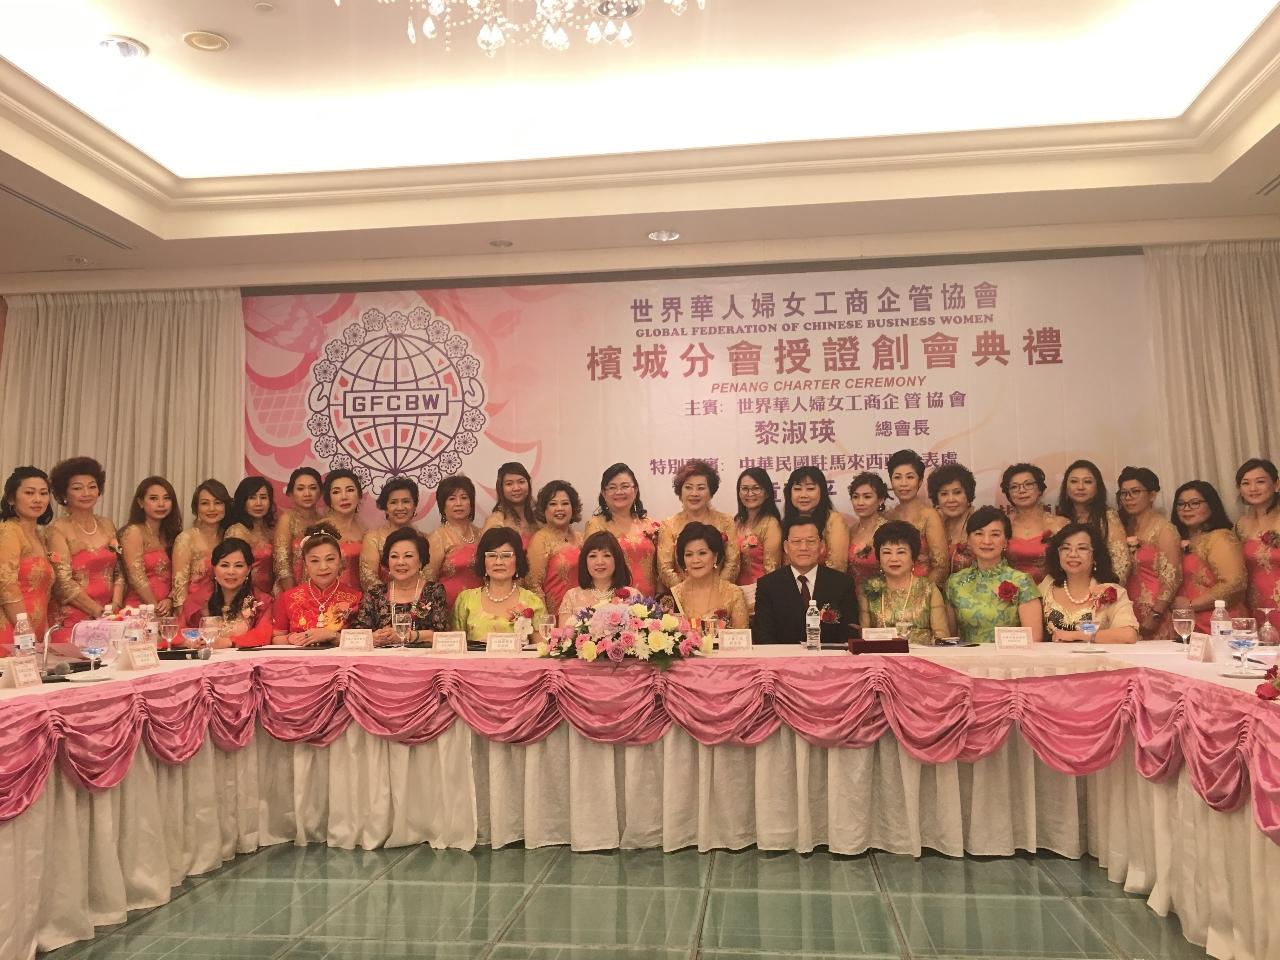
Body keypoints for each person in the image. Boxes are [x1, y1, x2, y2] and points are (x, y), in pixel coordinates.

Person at [46, 457, 124, 636]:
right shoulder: (57, 530)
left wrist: (115, 605)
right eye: (77, 488)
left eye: (92, 486)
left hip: (109, 615)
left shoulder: (107, 525)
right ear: (64, 494)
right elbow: (61, 582)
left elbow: (119, 570)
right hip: (73, 619)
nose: (86, 493)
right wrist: (98, 611)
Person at [944, 506, 1043, 644]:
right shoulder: (955, 582)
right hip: (966, 662)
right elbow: (950, 638)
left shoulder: (1021, 581)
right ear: (968, 539)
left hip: (1011, 662)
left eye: (995, 534)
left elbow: (1034, 638)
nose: (987, 541)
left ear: (1006, 542)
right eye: (979, 534)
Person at [753, 516, 858, 645]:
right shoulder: (768, 585)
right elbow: (763, 636)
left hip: (830, 661)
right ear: (786, 547)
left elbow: (849, 634)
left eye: (811, 541)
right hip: (783, 662)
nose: (803, 547)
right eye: (796, 542)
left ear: (821, 546)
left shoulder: (842, 583)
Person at [1039, 523, 1139, 644]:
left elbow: (1128, 634)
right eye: (1065, 548)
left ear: (1095, 555)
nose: (1073, 554)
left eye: (1082, 548)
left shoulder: (1112, 592)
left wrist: (1077, 635)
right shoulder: (1047, 586)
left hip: (1098, 661)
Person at [350, 527, 449, 645]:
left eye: (408, 556)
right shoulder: (375, 593)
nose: (400, 562)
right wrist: (373, 637)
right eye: (394, 556)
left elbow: (441, 633)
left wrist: (407, 635)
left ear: (421, 561)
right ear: (387, 562)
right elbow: (358, 632)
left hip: (421, 659)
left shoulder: (434, 591)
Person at [1171, 480, 1247, 633]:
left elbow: (1234, 584)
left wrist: (1191, 604)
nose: (1187, 509)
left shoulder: (1220, 537)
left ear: (1211, 505)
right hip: (1186, 624)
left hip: (1218, 623)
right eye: (1181, 504)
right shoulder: (1177, 539)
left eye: (1195, 503)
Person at [0, 467, 64, 644]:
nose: (38, 499)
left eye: (43, 493)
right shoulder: (8, 531)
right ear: (12, 499)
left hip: (33, 630)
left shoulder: (39, 535)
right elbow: (6, 585)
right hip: (10, 629)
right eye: (29, 493)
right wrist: (25, 630)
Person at [858, 520, 948, 645]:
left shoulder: (928, 589)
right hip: (880, 660)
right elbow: (863, 638)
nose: (894, 559)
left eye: (901, 552)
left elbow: (941, 638)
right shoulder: (868, 590)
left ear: (913, 557)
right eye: (887, 552)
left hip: (923, 661)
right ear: (879, 557)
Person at [1116, 467, 1181, 640]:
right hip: (1127, 609)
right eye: (1124, 493)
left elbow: (1172, 578)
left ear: (1152, 495)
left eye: (1135, 492)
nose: (1128, 498)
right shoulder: (1124, 528)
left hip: (1154, 610)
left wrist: (1155, 614)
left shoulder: (1164, 529)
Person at [272, 522, 363, 646]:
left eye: (330, 559)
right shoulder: (289, 597)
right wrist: (290, 639)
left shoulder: (356, 598)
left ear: (340, 561)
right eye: (314, 561)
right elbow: (276, 638)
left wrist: (331, 636)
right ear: (305, 564)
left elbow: (364, 640)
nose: (323, 567)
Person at [453, 526, 546, 645]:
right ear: (483, 561)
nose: (498, 562)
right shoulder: (465, 600)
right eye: (492, 555)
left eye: (506, 556)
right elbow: (454, 648)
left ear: (518, 561)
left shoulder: (532, 601)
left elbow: (542, 651)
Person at [657, 459, 740, 588]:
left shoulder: (726, 522)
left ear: (711, 492)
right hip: (682, 598)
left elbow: (732, 564)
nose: (694, 493)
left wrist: (716, 591)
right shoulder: (669, 525)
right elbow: (665, 568)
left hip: (721, 595)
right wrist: (687, 593)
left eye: (701, 488)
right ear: (680, 492)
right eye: (688, 487)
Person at [583, 463, 660, 599]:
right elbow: (592, 566)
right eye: (612, 487)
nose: (619, 492)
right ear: (604, 493)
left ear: (635, 490)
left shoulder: (650, 525)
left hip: (650, 602)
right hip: (613, 603)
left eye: (625, 486)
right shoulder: (595, 525)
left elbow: (660, 568)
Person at [184, 538, 273, 648]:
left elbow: (264, 635)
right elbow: (178, 633)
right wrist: (191, 641)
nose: (231, 572)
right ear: (214, 568)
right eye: (224, 565)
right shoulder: (197, 601)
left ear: (249, 569)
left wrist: (229, 642)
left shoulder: (261, 601)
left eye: (238, 566)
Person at [1056, 459, 1131, 584]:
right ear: (1066, 487)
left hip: (1101, 589)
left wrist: (1104, 593)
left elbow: (1121, 563)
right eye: (1074, 481)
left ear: (1097, 487)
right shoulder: (1059, 519)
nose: (1080, 487)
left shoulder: (1108, 517)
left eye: (1087, 482)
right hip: (1066, 589)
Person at [885, 449, 948, 587]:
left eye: (910, 477)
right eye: (897, 477)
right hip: (891, 591)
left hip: (923, 592)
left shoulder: (929, 516)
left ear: (919, 482)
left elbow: (941, 566)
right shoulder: (888, 517)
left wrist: (918, 594)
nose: (903, 483)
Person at [668, 523, 749, 629]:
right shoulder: (674, 596)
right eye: (689, 554)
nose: (695, 560)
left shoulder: (733, 594)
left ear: (715, 556)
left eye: (702, 553)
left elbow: (742, 640)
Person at [120, 476, 181, 614]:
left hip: (167, 608)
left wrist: (170, 599)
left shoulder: (173, 534)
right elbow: (136, 576)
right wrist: (154, 607)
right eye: (154, 498)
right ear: (140, 502)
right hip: (140, 609)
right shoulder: (133, 532)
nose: (161, 504)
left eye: (166, 498)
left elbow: (180, 575)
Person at [171, 479, 230, 615]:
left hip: (224, 611)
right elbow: (179, 587)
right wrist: (184, 619)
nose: (211, 509)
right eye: (205, 503)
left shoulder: (228, 536)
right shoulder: (186, 539)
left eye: (218, 503)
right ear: (196, 508)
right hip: (193, 611)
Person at [525, 480, 583, 618]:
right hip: (553, 617)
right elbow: (533, 586)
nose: (559, 508)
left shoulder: (581, 538)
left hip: (581, 615)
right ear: (544, 510)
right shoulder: (540, 540)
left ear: (573, 508)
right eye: (553, 504)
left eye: (565, 503)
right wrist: (545, 622)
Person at [1234, 457, 1280, 631]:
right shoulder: (1240, 525)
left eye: (1260, 482)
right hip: (1254, 605)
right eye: (1245, 483)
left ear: (1276, 485)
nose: (1253, 488)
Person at [426, 474, 484, 611]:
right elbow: (428, 581)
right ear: (442, 504)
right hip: (447, 608)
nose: (459, 503)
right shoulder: (437, 537)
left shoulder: (481, 534)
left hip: (479, 609)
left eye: (464, 498)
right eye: (452, 498)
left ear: (471, 502)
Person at [558, 531, 640, 625]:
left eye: (606, 555)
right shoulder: (572, 597)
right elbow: (562, 638)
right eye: (593, 556)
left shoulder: (633, 596)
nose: (600, 562)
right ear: (585, 562)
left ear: (617, 560)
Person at [1002, 463, 1067, 582]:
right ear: (1009, 494)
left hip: (1052, 592)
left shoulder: (1060, 524)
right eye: (1014, 487)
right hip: (1010, 593)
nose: (1022, 490)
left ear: (1040, 489)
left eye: (1028, 484)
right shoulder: (1002, 525)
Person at [783, 466, 849, 572]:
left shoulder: (834, 521)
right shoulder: (786, 522)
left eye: (810, 489)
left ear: (822, 492)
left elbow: (838, 567)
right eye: (797, 489)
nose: (803, 495)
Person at [360, 475, 419, 591]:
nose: (400, 507)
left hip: (418, 603)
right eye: (393, 502)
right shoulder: (373, 538)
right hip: (382, 603)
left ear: (415, 505)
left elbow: (427, 577)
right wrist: (395, 600)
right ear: (386, 507)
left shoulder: (423, 539)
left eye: (406, 501)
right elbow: (368, 579)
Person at [273, 467, 324, 592]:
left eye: (312, 488)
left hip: (319, 591)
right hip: (290, 591)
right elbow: (282, 563)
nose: (307, 494)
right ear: (291, 493)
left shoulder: (324, 521)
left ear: (320, 492)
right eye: (300, 489)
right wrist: (294, 595)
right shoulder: (287, 520)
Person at [224, 476, 277, 596]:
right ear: (243, 502)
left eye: (263, 497)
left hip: (271, 595)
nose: (258, 503)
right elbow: (231, 571)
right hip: (245, 596)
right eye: (252, 498)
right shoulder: (236, 532)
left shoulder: (272, 531)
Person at [733, 467, 782, 588]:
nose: (750, 494)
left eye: (756, 488)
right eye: (745, 489)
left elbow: (772, 570)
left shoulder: (771, 524)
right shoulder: (736, 522)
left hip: (760, 591)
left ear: (766, 493)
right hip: (735, 591)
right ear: (739, 493)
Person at [928, 462, 977, 576]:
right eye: (944, 494)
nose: (951, 500)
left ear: (968, 494)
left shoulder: (979, 525)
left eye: (957, 492)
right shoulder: (933, 524)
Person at [322, 469, 367, 591]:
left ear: (359, 495)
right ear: (329, 500)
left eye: (350, 490)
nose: (344, 497)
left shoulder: (365, 530)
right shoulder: (321, 530)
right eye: (336, 492)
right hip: (330, 601)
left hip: (362, 600)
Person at [482, 461, 539, 547]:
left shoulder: (540, 516)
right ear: (501, 488)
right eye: (509, 484)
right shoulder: (496, 521)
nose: (516, 488)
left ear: (528, 483)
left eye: (521, 482)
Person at [846, 472, 889, 582]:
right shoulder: (851, 530)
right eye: (855, 497)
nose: (860, 502)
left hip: (880, 595)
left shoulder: (889, 530)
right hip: (850, 594)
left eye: (867, 497)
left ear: (881, 500)